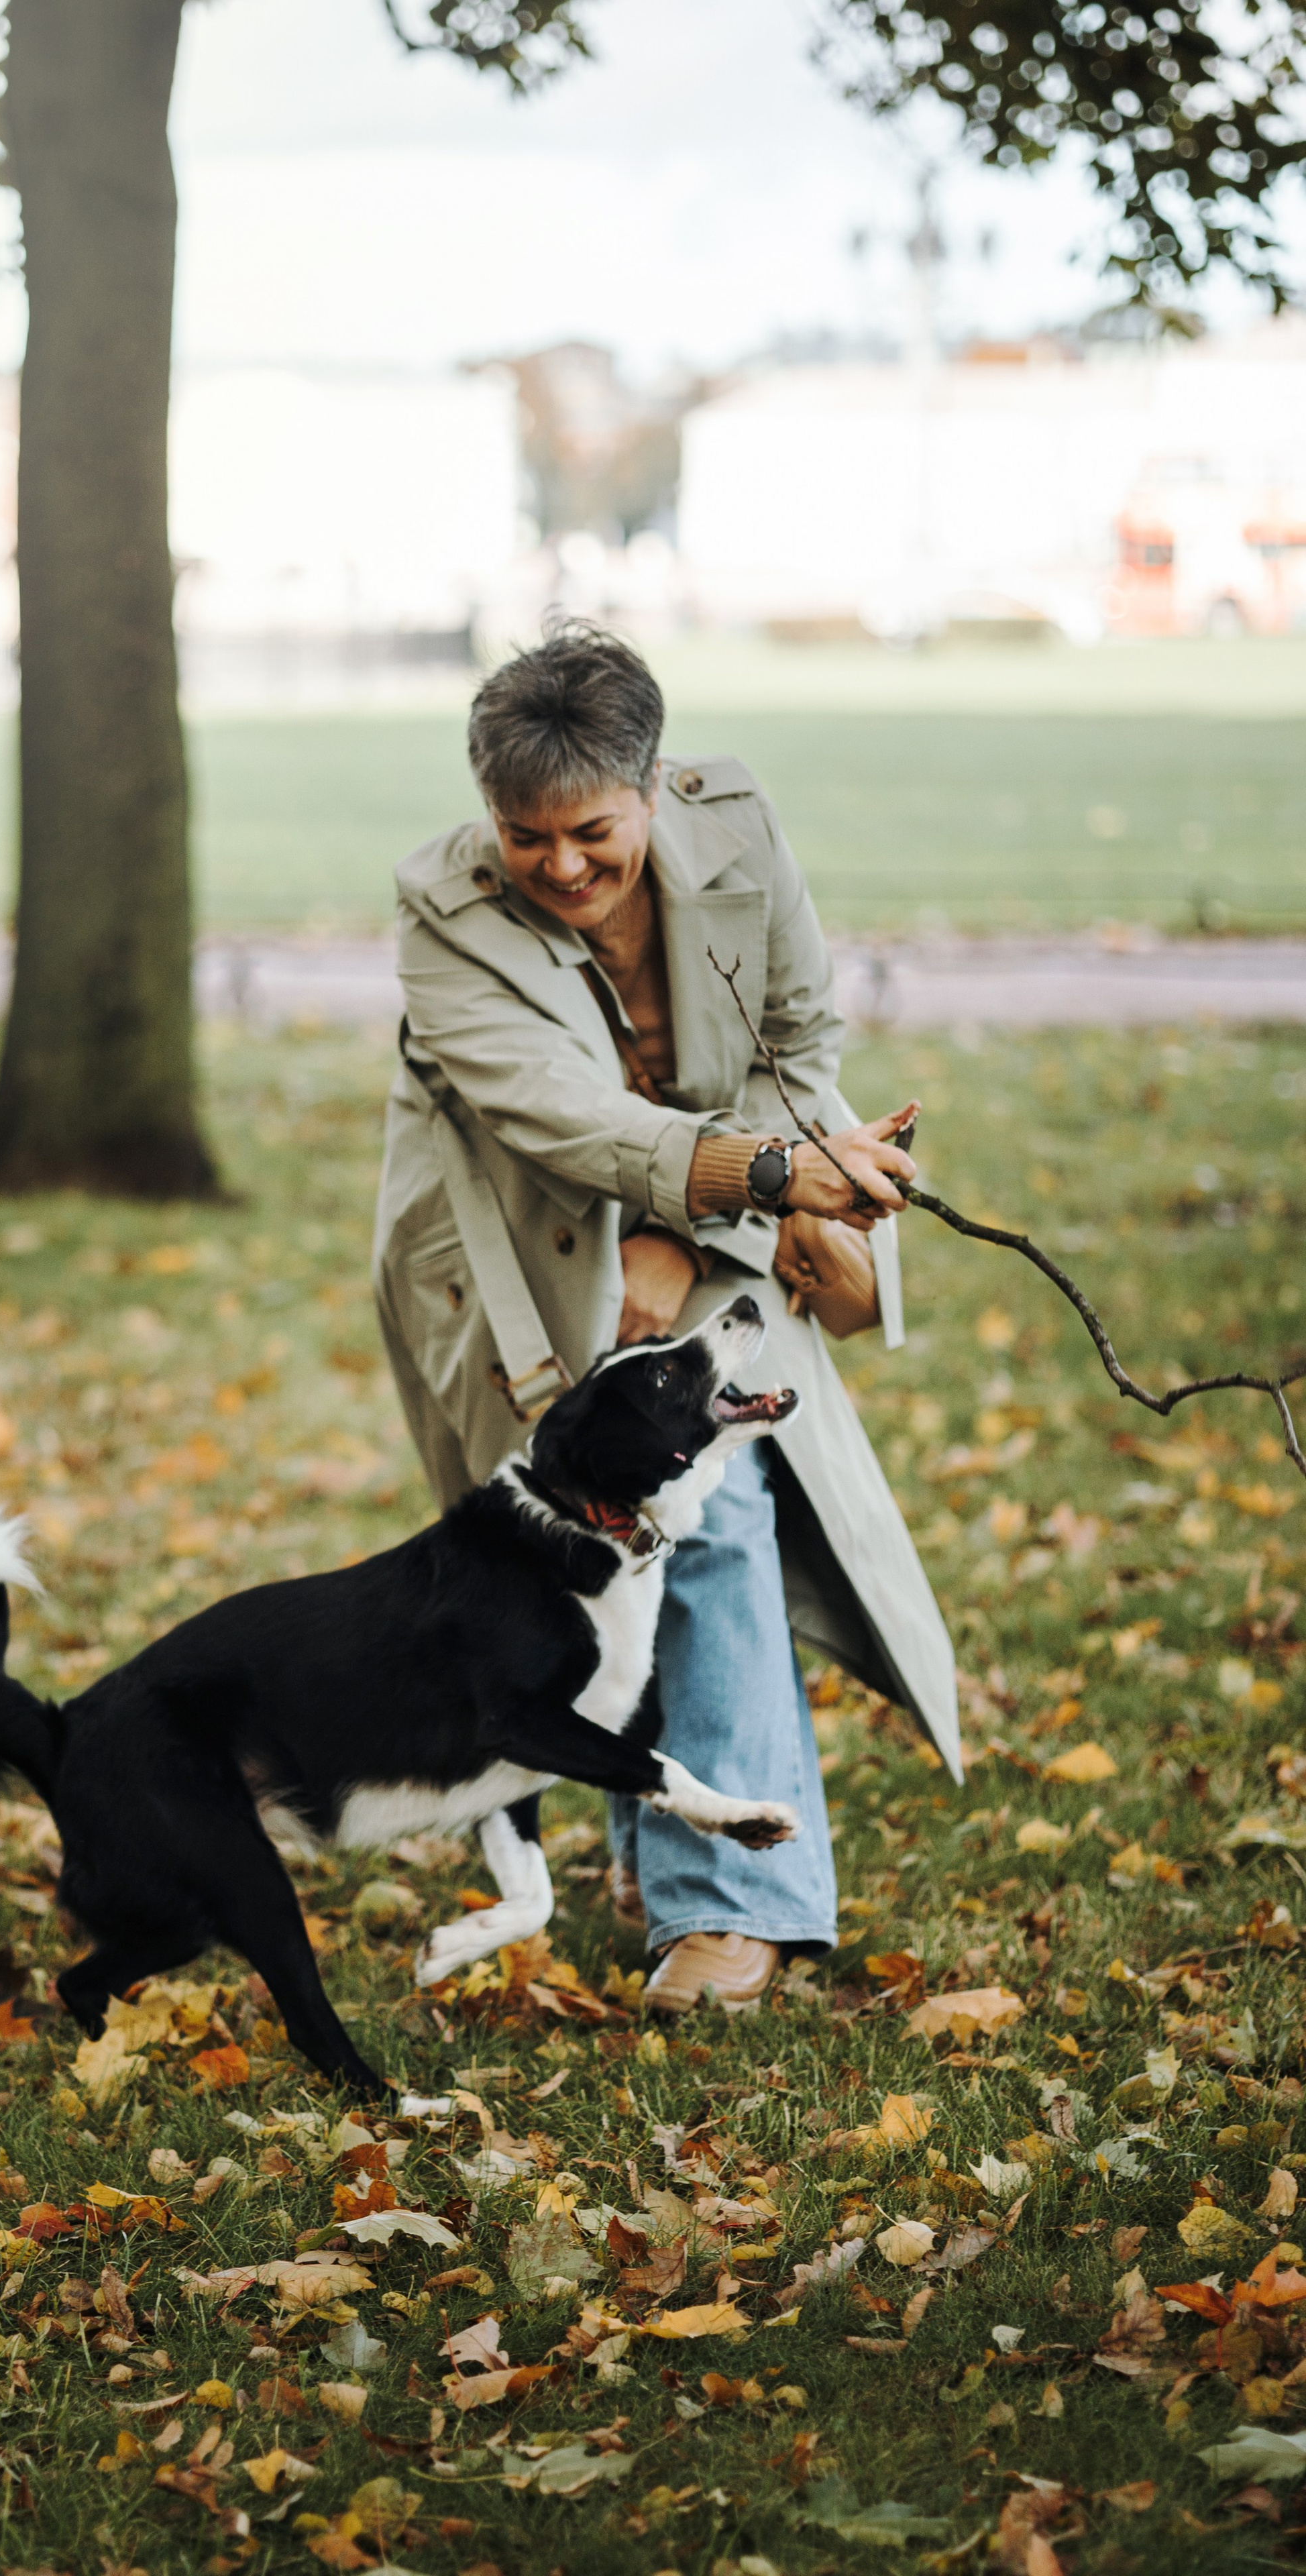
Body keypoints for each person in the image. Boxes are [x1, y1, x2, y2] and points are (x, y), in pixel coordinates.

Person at [372, 623, 959, 2014]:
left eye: (590, 831)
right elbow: (560, 1119)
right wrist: (759, 1179)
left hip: (702, 1221)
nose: (561, 867)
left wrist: (701, 1225)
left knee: (714, 1505)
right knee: (579, 1547)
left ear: (648, 786)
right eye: (526, 837)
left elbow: (797, 1047)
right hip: (510, 1247)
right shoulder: (442, 914)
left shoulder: (736, 832)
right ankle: (648, 1834)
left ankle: (731, 1905)